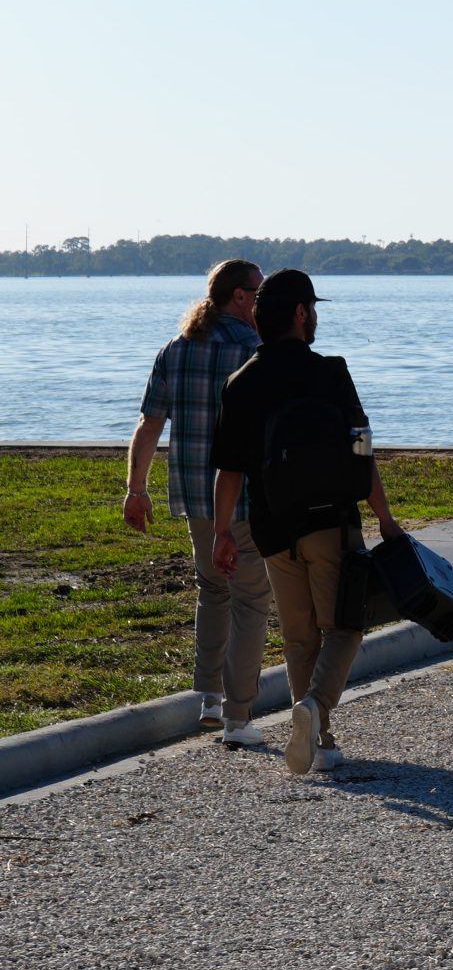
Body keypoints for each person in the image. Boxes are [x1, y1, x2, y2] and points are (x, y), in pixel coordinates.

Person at [207, 270, 402, 776]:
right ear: (299, 313)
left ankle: (320, 743)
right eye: (312, 308)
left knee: (299, 637)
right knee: (347, 624)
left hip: (272, 528)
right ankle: (315, 707)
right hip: (331, 522)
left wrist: (223, 532)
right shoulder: (330, 372)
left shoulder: (240, 382)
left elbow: (229, 469)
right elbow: (362, 447)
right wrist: (384, 517)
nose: (314, 317)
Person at [127, 258, 271, 744]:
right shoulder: (255, 350)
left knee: (213, 590)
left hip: (195, 493)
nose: (263, 300)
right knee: (251, 599)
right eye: (259, 292)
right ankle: (238, 717)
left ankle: (209, 696)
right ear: (239, 297)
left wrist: (136, 489)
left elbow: (150, 424)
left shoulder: (175, 348)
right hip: (245, 496)